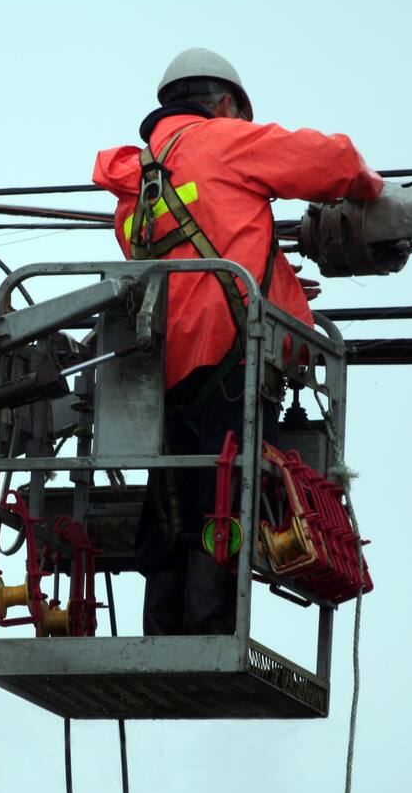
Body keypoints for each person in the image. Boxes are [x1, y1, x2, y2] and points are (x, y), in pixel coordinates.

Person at [92, 47, 382, 635]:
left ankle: (163, 637)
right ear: (225, 104)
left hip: (162, 367)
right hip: (233, 354)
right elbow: (334, 162)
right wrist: (376, 191)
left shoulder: (135, 183)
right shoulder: (224, 140)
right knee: (226, 492)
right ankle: (209, 632)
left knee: (172, 497)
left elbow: (192, 257)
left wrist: (278, 281)